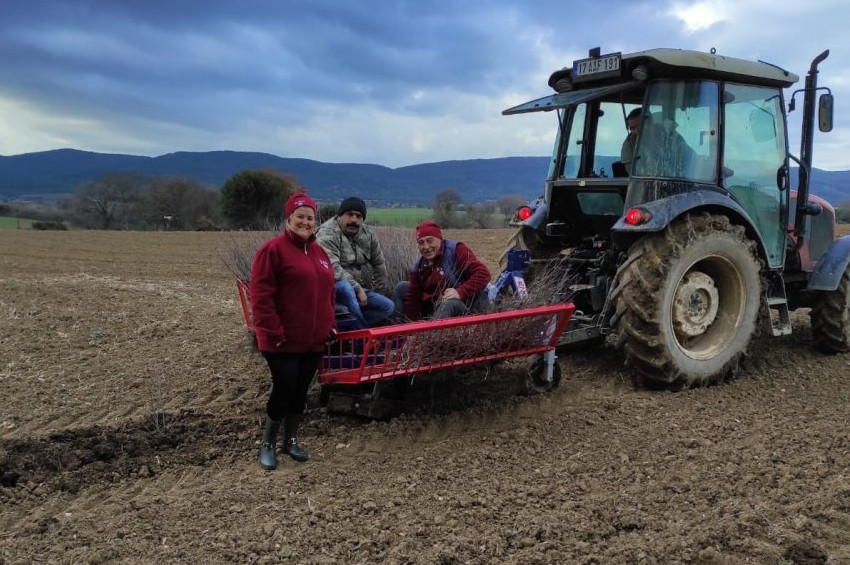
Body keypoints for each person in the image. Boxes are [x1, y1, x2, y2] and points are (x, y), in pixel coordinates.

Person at [250, 192, 336, 470]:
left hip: (312, 340)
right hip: (281, 340)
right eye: (300, 216)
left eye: (310, 218)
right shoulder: (272, 250)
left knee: (300, 391)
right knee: (284, 388)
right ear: (288, 219)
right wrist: (273, 331)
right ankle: (267, 444)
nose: (306, 222)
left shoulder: (320, 253)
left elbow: (328, 294)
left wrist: (329, 323)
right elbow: (261, 296)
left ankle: (291, 440)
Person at [316, 196, 395, 329]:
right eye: (350, 214)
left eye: (358, 216)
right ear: (340, 216)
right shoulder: (327, 233)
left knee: (388, 307)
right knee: (346, 288)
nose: (354, 220)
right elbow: (332, 268)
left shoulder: (368, 234)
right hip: (332, 289)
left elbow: (379, 264)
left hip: (359, 289)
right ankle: (362, 339)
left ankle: (350, 331)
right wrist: (357, 288)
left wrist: (379, 291)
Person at [394, 220, 491, 321]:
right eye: (421, 243)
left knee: (449, 303)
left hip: (462, 308)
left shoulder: (456, 250)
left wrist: (460, 292)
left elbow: (483, 274)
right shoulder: (418, 267)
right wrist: (411, 327)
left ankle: (431, 334)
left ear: (439, 239)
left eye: (430, 240)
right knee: (402, 287)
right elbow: (413, 301)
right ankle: (398, 333)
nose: (426, 247)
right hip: (434, 309)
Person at [619, 107, 642, 175]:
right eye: (632, 128)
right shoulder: (628, 146)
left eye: (639, 126)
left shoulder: (663, 135)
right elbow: (635, 173)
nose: (637, 130)